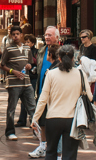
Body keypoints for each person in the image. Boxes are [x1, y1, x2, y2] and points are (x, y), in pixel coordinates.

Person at [31, 45, 92, 160]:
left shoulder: (51, 74)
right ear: (73, 58)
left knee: (50, 152)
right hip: (72, 120)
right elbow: (89, 97)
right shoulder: (80, 74)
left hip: (53, 118)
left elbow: (43, 99)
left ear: (59, 58)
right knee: (70, 154)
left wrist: (35, 118)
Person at [0, 25, 36, 141]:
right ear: (11, 36)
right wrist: (12, 71)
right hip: (13, 84)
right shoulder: (8, 49)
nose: (15, 36)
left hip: (27, 82)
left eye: (17, 34)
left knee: (32, 107)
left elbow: (30, 63)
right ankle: (10, 132)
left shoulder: (27, 48)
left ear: (21, 35)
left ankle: (37, 130)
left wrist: (29, 66)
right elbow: (1, 65)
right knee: (12, 108)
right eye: (13, 34)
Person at [30, 25, 60, 158]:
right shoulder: (42, 51)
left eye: (50, 35)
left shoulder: (63, 52)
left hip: (57, 95)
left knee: (56, 123)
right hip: (42, 91)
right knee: (42, 122)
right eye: (46, 35)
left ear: (57, 37)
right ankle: (42, 146)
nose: (47, 37)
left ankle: (56, 150)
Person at [16, 34, 38, 127]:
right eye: (25, 42)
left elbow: (37, 64)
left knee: (31, 100)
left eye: (28, 42)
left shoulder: (36, 52)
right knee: (23, 99)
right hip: (24, 77)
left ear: (33, 43)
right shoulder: (22, 51)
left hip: (32, 78)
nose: (26, 43)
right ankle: (22, 120)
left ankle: (33, 121)